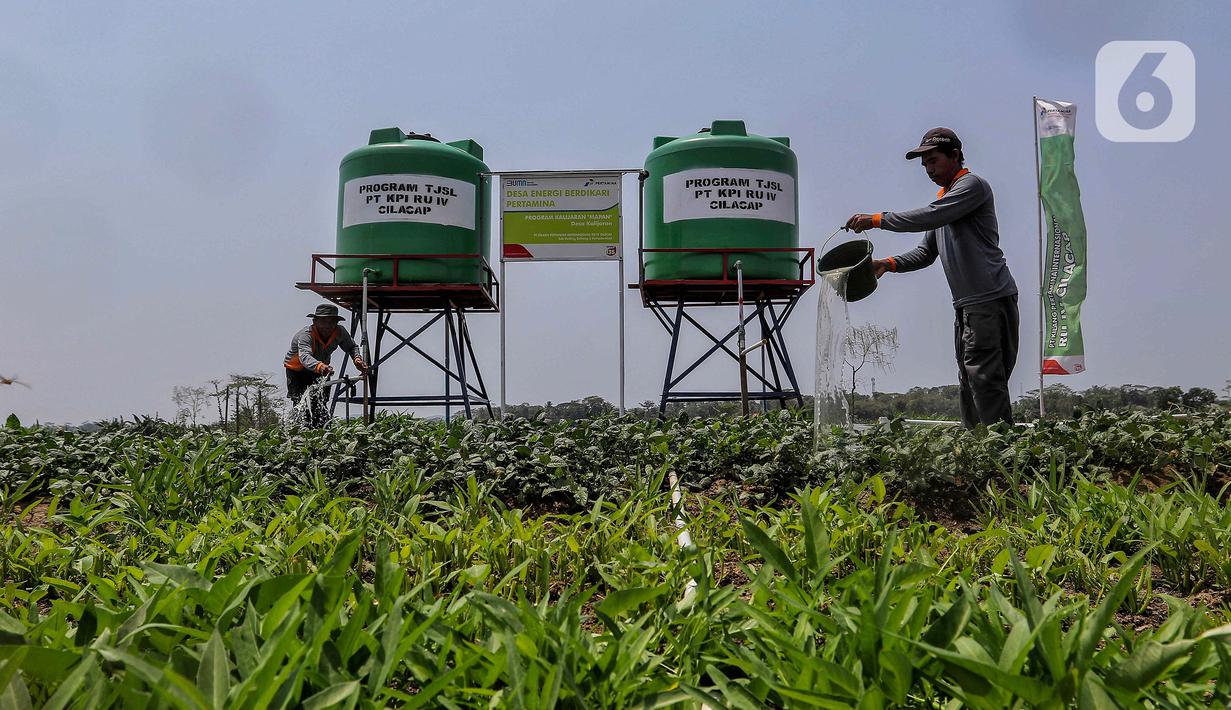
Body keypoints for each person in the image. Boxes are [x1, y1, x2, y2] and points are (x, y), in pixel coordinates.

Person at [844, 127, 1019, 427]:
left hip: (989, 300)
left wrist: (876, 220)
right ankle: (977, 443)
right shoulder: (945, 202)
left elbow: (930, 216)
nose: (928, 169)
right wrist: (887, 264)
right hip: (967, 306)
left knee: (985, 380)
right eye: (924, 164)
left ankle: (998, 448)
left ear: (955, 155)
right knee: (970, 379)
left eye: (933, 160)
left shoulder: (971, 187)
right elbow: (926, 253)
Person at [284, 304, 367, 405]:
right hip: (298, 371)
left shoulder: (340, 332)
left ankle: (321, 414)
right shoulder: (306, 335)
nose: (327, 326)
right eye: (323, 322)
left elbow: (351, 347)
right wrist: (320, 366)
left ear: (336, 323)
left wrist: (357, 359)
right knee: (300, 403)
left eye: (331, 322)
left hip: (322, 370)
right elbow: (305, 357)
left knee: (321, 403)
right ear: (315, 321)